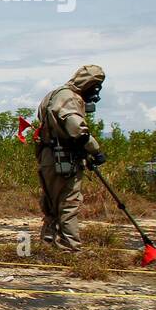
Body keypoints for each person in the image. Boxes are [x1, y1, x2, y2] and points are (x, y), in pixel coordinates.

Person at [34, 65, 106, 252]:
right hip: (64, 158)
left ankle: (49, 243)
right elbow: (77, 130)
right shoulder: (69, 98)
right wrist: (95, 150)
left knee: (52, 203)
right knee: (68, 203)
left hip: (48, 156)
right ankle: (69, 247)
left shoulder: (53, 94)